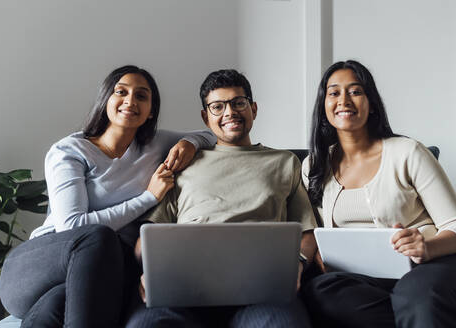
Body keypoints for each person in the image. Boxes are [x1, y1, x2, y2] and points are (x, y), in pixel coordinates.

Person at [0, 65, 216, 328]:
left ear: (150, 112)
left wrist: (188, 143)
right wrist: (148, 197)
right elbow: (73, 226)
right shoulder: (70, 151)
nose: (130, 101)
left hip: (94, 273)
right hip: (37, 268)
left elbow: (209, 135)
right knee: (98, 237)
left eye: (141, 96)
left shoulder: (155, 145)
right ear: (106, 101)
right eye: (120, 92)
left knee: (56, 306)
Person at [126, 69, 318, 328]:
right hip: (184, 289)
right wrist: (151, 269)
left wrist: (298, 265)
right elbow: (147, 237)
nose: (229, 113)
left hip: (262, 292)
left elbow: (307, 231)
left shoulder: (285, 162)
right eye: (218, 106)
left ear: (253, 109)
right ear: (206, 117)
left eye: (238, 103)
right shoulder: (183, 162)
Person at [301, 60, 456, 328]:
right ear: (324, 106)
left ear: (371, 102)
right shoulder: (314, 166)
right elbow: (314, 230)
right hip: (359, 276)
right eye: (334, 92)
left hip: (426, 266)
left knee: (417, 296)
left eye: (355, 91)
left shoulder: (408, 152)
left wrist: (427, 248)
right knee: (321, 291)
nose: (344, 100)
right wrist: (319, 254)